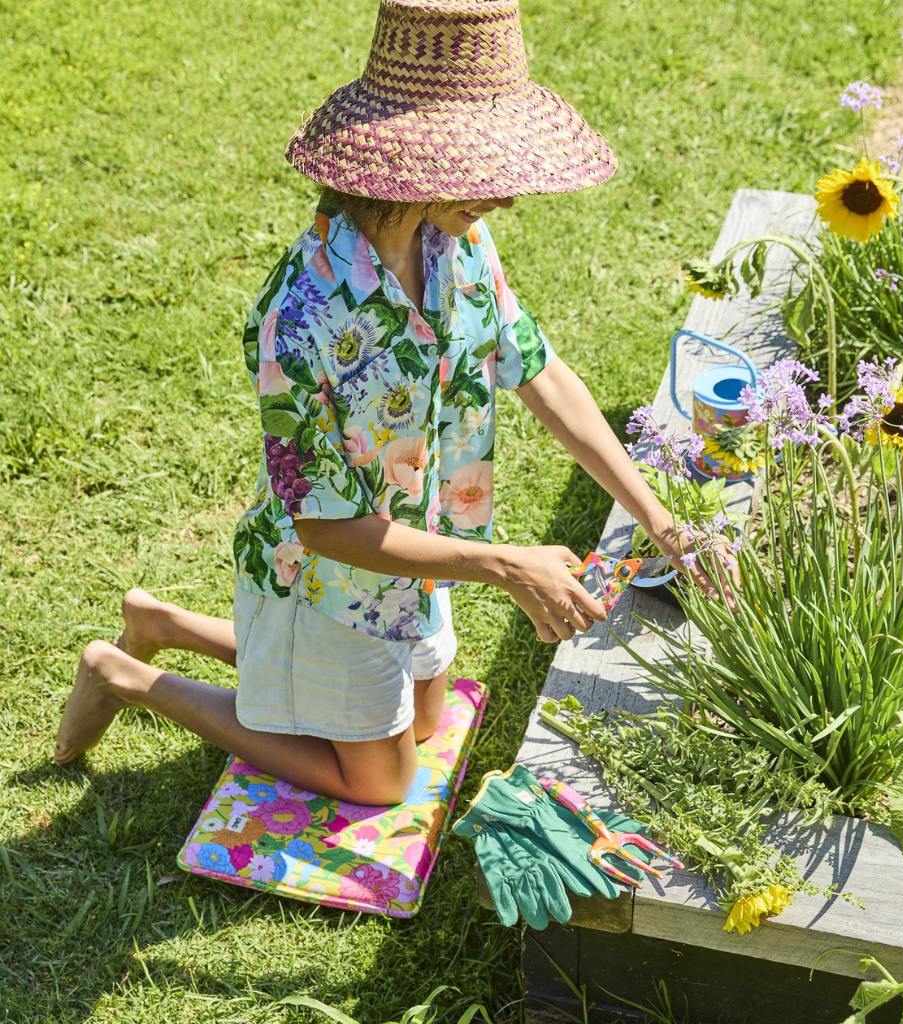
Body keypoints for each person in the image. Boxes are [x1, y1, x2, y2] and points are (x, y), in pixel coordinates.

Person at [54, 0, 725, 806]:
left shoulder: (460, 242)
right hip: (327, 577)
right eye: (485, 168)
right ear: (414, 162)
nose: (506, 198)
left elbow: (541, 374)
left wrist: (664, 524)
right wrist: (504, 565)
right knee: (382, 783)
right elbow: (325, 526)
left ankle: (162, 619)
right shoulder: (301, 316)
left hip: (420, 557)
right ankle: (130, 674)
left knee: (431, 724)